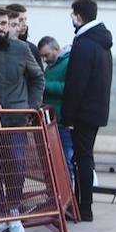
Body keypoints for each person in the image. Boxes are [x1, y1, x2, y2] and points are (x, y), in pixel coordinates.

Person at [0, 5, 45, 232]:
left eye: (4, 23)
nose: (1, 28)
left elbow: (37, 78)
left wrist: (31, 107)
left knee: (16, 165)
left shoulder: (22, 49)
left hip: (16, 119)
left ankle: (13, 210)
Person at [62, 0, 112, 223]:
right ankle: (84, 205)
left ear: (79, 16)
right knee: (85, 157)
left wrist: (68, 116)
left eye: (73, 15)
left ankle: (84, 207)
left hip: (83, 113)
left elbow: (76, 83)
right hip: (96, 111)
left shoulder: (84, 43)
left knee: (82, 158)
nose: (72, 19)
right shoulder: (100, 41)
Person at [39, 35, 73, 170]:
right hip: (52, 120)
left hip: (62, 121)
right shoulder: (51, 66)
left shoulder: (68, 62)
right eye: (42, 56)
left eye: (46, 55)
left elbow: (69, 87)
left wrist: (45, 86)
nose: (45, 60)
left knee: (64, 162)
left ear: (56, 49)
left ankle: (68, 190)